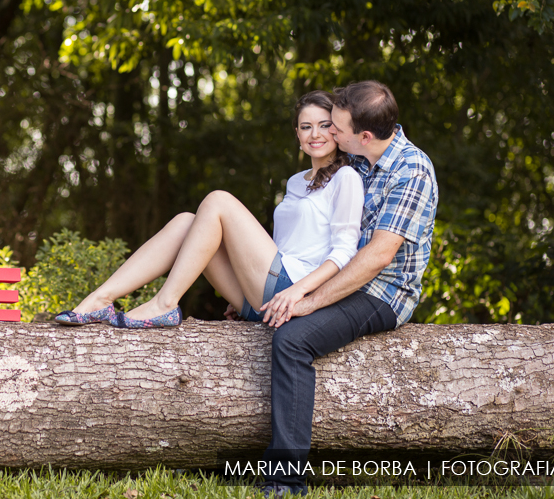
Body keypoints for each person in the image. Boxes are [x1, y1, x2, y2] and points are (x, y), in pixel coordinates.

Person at [256, 80, 438, 497]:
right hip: (346, 277)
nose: (330, 135)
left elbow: (377, 257)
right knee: (286, 327)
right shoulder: (357, 164)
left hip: (383, 294)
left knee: (291, 339)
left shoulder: (412, 170)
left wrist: (310, 301)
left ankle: (285, 482)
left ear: (364, 135)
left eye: (336, 127)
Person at [55, 89, 364, 335]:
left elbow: (344, 253)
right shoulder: (296, 182)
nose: (315, 134)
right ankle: (99, 301)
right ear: (296, 133)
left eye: (325, 126)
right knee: (186, 222)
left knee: (218, 200)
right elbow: (283, 248)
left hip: (294, 295)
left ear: (337, 131)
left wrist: (296, 292)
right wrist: (244, 283)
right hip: (267, 292)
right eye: (306, 126)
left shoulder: (346, 178)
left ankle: (164, 303)